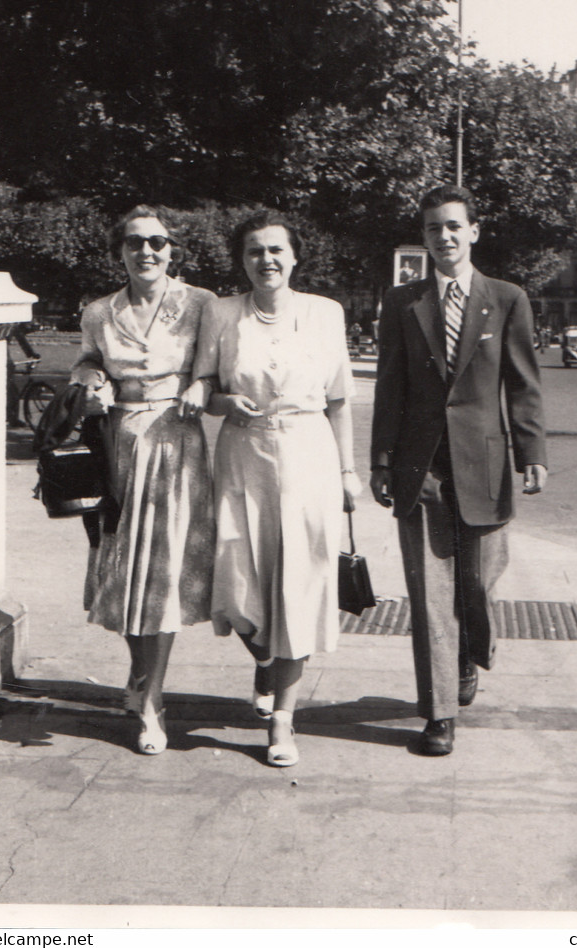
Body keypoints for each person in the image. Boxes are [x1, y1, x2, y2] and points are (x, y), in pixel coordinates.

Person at [370, 185, 547, 756]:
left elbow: (522, 383)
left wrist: (532, 453)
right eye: (432, 229)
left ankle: (470, 648)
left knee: (477, 580)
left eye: (453, 226)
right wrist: (381, 462)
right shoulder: (403, 304)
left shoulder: (507, 298)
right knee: (429, 594)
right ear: (423, 238)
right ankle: (439, 712)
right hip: (421, 467)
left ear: (473, 231)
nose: (443, 237)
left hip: (486, 465)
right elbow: (390, 389)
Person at [192, 209, 361, 767]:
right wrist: (220, 402)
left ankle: (283, 721)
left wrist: (346, 471)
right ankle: (266, 654)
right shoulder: (221, 313)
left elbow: (338, 401)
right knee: (239, 580)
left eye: (276, 250)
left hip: (308, 453)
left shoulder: (324, 313)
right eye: (254, 251)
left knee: (301, 584)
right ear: (242, 260)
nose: (266, 260)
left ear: (294, 257)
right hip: (243, 454)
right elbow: (204, 386)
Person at [71, 204, 216, 756]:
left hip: (177, 443)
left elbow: (215, 364)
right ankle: (141, 676)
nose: (147, 252)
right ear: (120, 253)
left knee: (163, 577)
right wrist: (92, 382)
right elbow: (86, 362)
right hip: (119, 446)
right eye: (134, 243)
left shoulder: (200, 304)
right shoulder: (99, 312)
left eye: (157, 242)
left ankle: (152, 701)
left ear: (171, 249)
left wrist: (202, 384)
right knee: (125, 574)